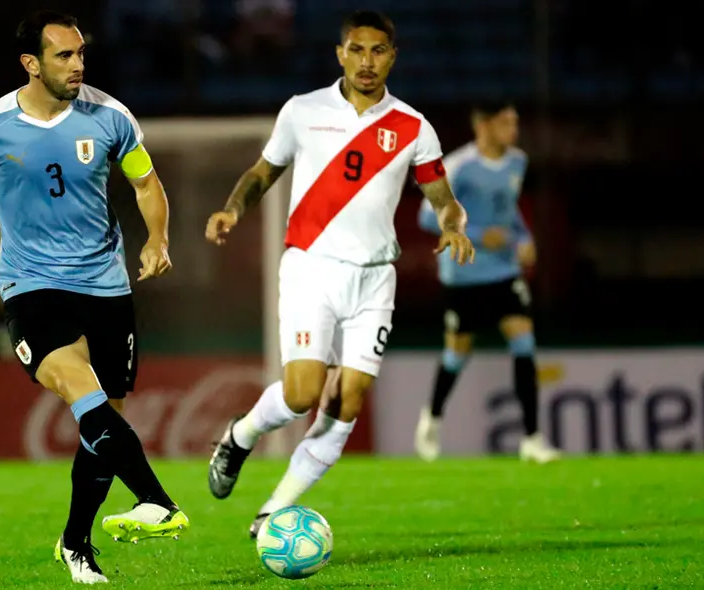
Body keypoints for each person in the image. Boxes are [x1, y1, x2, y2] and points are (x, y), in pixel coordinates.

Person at [0, 11, 188, 584]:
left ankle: (75, 543)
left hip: (106, 284)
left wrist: (158, 237)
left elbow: (145, 182)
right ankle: (158, 501)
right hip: (31, 284)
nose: (78, 65)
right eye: (64, 55)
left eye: (81, 53)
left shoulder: (110, 116)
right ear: (31, 64)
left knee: (103, 421)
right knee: (77, 385)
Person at [204, 10, 474, 538]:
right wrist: (233, 210)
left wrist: (453, 225)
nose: (366, 61)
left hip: (374, 278)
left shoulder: (413, 126)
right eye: (356, 49)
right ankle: (239, 435)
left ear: (392, 56)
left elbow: (443, 198)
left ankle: (272, 511)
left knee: (346, 403)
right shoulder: (303, 111)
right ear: (339, 53)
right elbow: (263, 172)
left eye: (378, 51)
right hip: (312, 268)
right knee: (303, 393)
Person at [415, 101, 561, 464]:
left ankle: (532, 439)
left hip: (505, 271)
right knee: (457, 353)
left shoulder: (518, 162)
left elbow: (507, 208)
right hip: (465, 273)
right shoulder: (458, 167)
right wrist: (478, 235)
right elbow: (427, 217)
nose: (513, 129)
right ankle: (431, 418)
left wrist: (524, 236)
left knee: (524, 341)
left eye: (515, 121)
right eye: (505, 122)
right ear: (483, 125)